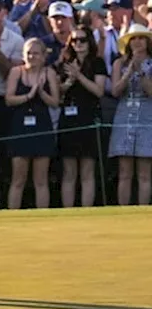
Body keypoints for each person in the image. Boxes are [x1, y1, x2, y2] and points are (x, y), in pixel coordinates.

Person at [4, 38, 59, 210]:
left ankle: (42, 216)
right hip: (20, 126)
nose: (31, 56)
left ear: (43, 56)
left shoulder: (49, 73)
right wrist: (28, 96)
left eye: (36, 53)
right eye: (28, 53)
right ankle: (13, 216)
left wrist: (41, 92)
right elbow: (9, 99)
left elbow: (55, 102)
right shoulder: (16, 72)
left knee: (41, 180)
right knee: (18, 179)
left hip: (42, 126)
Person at [56, 28, 107, 208]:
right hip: (68, 117)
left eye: (82, 40)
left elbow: (99, 91)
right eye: (74, 40)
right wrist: (69, 81)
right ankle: (68, 211)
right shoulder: (65, 62)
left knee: (87, 169)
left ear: (89, 42)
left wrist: (78, 76)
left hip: (89, 116)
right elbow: (58, 91)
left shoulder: (97, 63)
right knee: (69, 170)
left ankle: (87, 211)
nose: (78, 44)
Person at [109, 24, 152, 206]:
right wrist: (128, 72)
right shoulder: (119, 63)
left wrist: (141, 72)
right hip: (124, 114)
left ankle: (143, 211)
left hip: (147, 114)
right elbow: (115, 91)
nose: (137, 42)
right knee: (125, 171)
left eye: (141, 38)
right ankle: (123, 210)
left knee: (144, 172)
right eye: (133, 38)